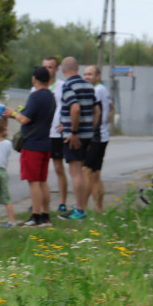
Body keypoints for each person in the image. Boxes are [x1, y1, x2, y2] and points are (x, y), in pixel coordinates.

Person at [3, 66, 55, 227]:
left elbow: (25, 119)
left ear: (34, 80)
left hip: (33, 144)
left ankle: (35, 216)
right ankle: (46, 216)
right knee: (42, 181)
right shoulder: (51, 97)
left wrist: (13, 113)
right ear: (49, 80)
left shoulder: (35, 96)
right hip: (46, 142)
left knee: (33, 182)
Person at [56, 57, 95, 221]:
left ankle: (79, 210)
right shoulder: (88, 85)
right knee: (81, 172)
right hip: (88, 134)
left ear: (62, 70)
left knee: (75, 172)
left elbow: (76, 109)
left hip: (76, 136)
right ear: (77, 68)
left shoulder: (68, 85)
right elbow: (92, 110)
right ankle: (81, 206)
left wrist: (73, 131)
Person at [82, 65, 111, 213]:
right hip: (103, 135)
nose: (87, 77)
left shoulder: (97, 90)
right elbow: (111, 109)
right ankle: (99, 209)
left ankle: (82, 209)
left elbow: (96, 114)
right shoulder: (103, 90)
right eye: (85, 74)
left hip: (97, 137)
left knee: (86, 171)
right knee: (95, 174)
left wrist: (90, 135)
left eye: (90, 74)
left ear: (98, 76)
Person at [42, 56, 69, 214]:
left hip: (56, 132)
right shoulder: (37, 86)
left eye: (50, 67)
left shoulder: (63, 86)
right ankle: (40, 201)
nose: (47, 70)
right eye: (45, 66)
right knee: (41, 169)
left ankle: (63, 202)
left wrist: (66, 123)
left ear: (57, 69)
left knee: (58, 167)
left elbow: (70, 106)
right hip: (42, 132)